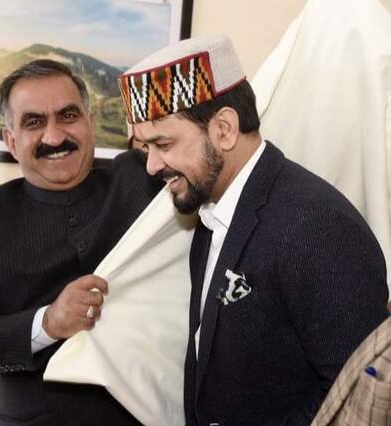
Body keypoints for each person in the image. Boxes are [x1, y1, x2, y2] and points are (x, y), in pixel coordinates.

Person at [118, 35, 389, 425]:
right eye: (146, 148)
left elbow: (358, 398)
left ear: (224, 129)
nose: (152, 166)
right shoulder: (210, 207)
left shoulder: (316, 226)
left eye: (164, 144)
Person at [0, 59, 160, 425]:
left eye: (68, 116)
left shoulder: (142, 181)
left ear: (91, 123)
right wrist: (49, 323)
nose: (54, 137)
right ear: (11, 141)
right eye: (34, 122)